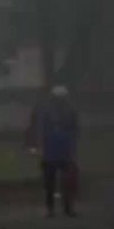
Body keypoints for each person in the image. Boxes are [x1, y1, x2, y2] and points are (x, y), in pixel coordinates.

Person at [26, 84, 80, 217]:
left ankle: (65, 208)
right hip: (52, 151)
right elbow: (41, 130)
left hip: (62, 150)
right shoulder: (49, 111)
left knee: (65, 182)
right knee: (51, 182)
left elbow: (75, 130)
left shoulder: (68, 111)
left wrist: (72, 148)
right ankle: (53, 209)